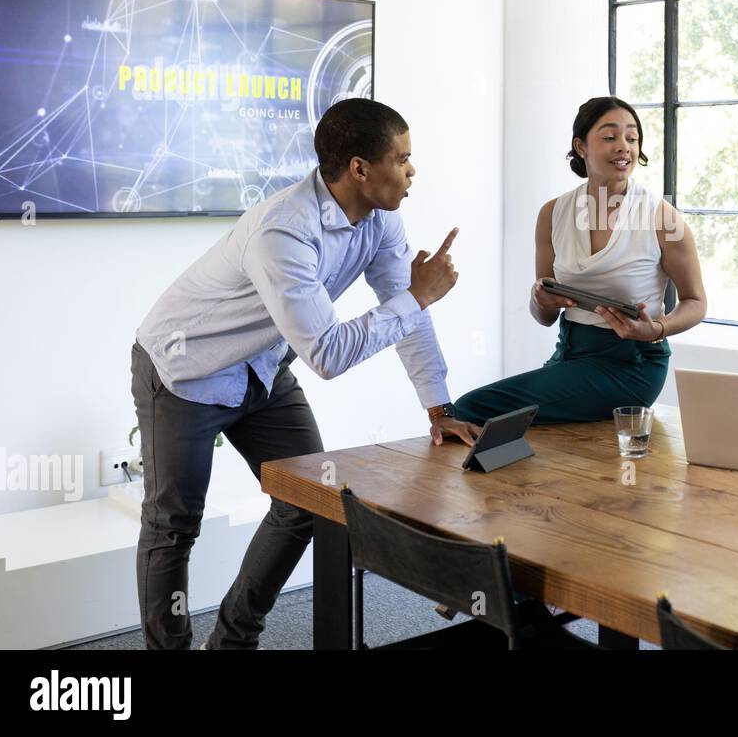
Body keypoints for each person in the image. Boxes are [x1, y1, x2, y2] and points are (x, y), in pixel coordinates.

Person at [131, 97, 478, 650]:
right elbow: (330, 354)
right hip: (184, 369)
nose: (413, 171)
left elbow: (404, 312)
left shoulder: (383, 219)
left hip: (264, 371)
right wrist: (418, 295)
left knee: (307, 499)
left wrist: (439, 409)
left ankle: (232, 641)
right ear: (360, 168)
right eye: (403, 158)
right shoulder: (283, 231)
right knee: (174, 526)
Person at [454, 96, 706, 423]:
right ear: (581, 146)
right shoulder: (552, 213)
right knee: (510, 424)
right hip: (569, 353)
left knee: (469, 409)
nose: (624, 147)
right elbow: (544, 315)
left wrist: (656, 329)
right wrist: (541, 298)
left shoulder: (662, 216)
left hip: (634, 364)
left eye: (632, 138)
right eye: (610, 136)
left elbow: (696, 301)